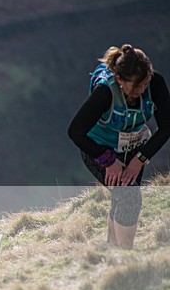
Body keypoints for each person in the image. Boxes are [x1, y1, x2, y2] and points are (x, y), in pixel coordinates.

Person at [68, 44, 170, 248]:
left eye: (145, 83)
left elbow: (167, 126)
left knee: (123, 197)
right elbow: (75, 132)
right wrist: (107, 161)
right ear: (119, 80)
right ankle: (125, 257)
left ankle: (113, 250)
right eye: (135, 86)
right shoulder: (105, 92)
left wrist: (139, 160)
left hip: (134, 148)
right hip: (99, 149)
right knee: (129, 198)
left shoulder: (154, 82)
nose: (141, 90)